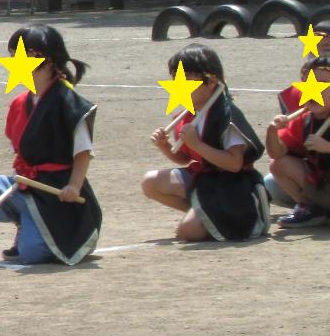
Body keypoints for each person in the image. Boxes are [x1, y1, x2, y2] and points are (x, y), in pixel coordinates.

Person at [0, 25, 102, 265]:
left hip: (59, 193)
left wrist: (74, 186)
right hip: (28, 184)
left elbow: (82, 151)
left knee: (30, 255)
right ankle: (25, 221)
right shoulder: (21, 103)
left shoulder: (68, 101)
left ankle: (73, 233)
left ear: (48, 59)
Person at [139, 43, 269, 243]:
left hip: (232, 184)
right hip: (204, 178)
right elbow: (184, 159)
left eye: (187, 79)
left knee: (187, 233)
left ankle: (241, 214)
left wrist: (198, 144)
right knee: (150, 182)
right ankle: (204, 213)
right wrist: (165, 146)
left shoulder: (226, 115)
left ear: (211, 81)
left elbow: (234, 165)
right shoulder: (187, 114)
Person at [266, 76, 330, 227]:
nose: (314, 90)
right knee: (276, 169)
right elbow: (277, 154)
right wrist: (272, 132)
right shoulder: (304, 119)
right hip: (324, 185)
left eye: (323, 84)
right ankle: (312, 210)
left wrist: (327, 147)